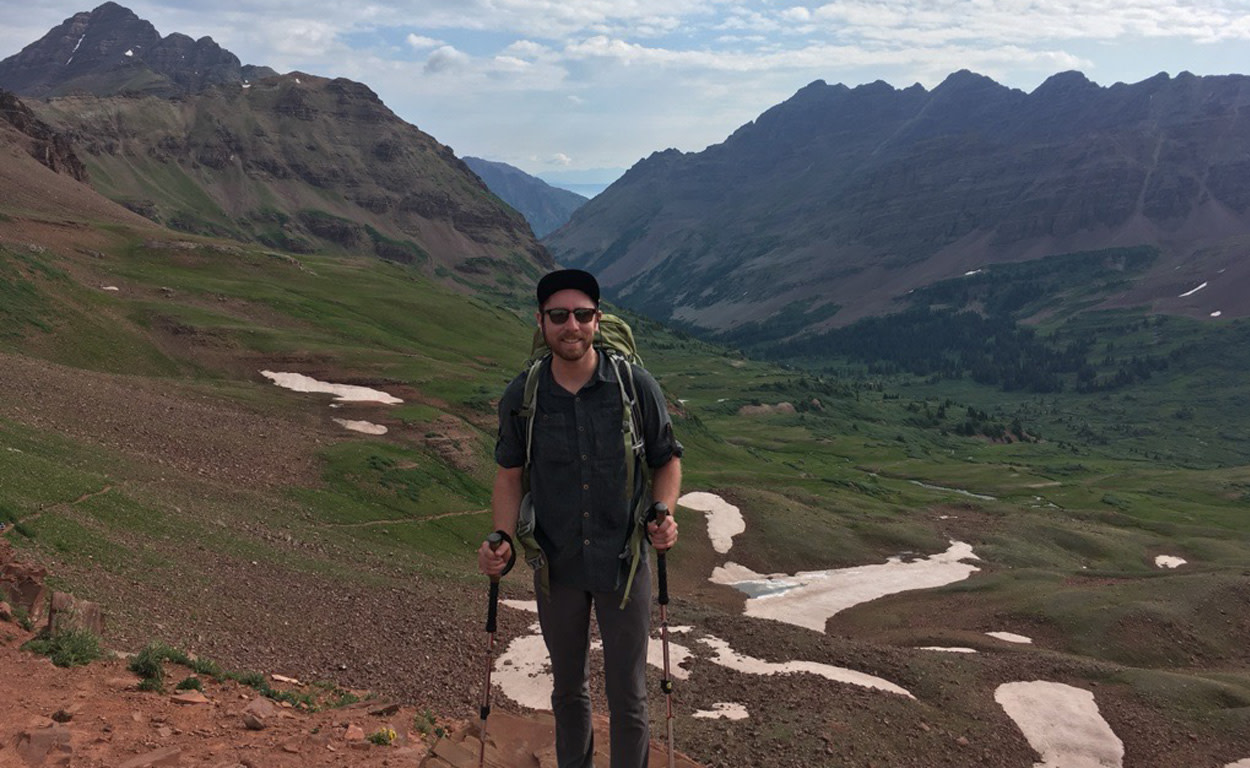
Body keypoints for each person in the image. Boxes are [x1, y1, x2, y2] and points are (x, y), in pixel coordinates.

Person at [478, 268, 682, 768]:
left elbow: (666, 459)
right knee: (568, 690)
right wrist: (501, 538)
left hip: (625, 563)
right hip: (557, 566)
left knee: (629, 695)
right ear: (541, 321)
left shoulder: (634, 385)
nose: (572, 326)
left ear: (598, 318)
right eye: (559, 316)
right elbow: (509, 473)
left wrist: (665, 513)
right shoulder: (523, 396)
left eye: (583, 314)